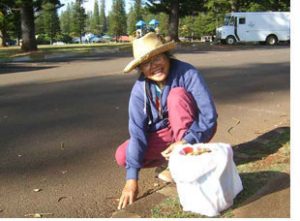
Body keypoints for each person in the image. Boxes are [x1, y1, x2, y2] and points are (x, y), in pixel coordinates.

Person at [115, 32, 218, 210]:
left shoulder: (188, 73)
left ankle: (183, 162)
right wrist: (131, 180)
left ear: (167, 56)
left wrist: (186, 141)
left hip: (191, 131)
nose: (154, 66)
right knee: (123, 154)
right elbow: (137, 132)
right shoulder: (139, 91)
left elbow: (209, 115)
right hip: (164, 134)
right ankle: (172, 160)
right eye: (146, 63)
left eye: (158, 58)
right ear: (140, 68)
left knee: (176, 95)